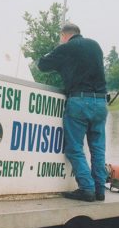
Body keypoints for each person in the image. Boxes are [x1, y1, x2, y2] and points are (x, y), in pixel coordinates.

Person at [37, 23, 108, 202]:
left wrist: (53, 51)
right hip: (100, 102)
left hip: (80, 102)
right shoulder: (95, 45)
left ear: (64, 35)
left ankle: (87, 188)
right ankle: (100, 190)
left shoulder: (66, 48)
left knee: (75, 148)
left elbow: (42, 65)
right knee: (98, 149)